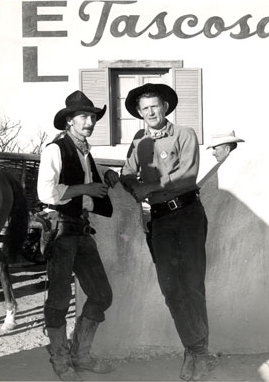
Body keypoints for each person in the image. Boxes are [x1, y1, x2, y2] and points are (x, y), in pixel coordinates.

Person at [120, 83, 209, 381]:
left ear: (166, 107)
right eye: (144, 109)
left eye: (154, 106)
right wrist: (135, 189)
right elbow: (127, 174)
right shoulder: (138, 141)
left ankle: (198, 352)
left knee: (193, 284)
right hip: (159, 220)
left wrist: (153, 186)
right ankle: (196, 349)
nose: (150, 112)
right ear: (140, 113)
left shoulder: (185, 134)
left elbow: (188, 174)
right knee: (171, 288)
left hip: (187, 215)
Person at [37, 90, 119, 381]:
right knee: (58, 300)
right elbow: (46, 193)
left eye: (93, 117)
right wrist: (85, 189)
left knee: (101, 295)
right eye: (84, 116)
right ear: (69, 121)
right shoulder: (55, 149)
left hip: (81, 230)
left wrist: (106, 175)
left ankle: (80, 354)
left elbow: (88, 178)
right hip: (60, 230)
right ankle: (60, 358)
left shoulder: (85, 151)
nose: (90, 122)